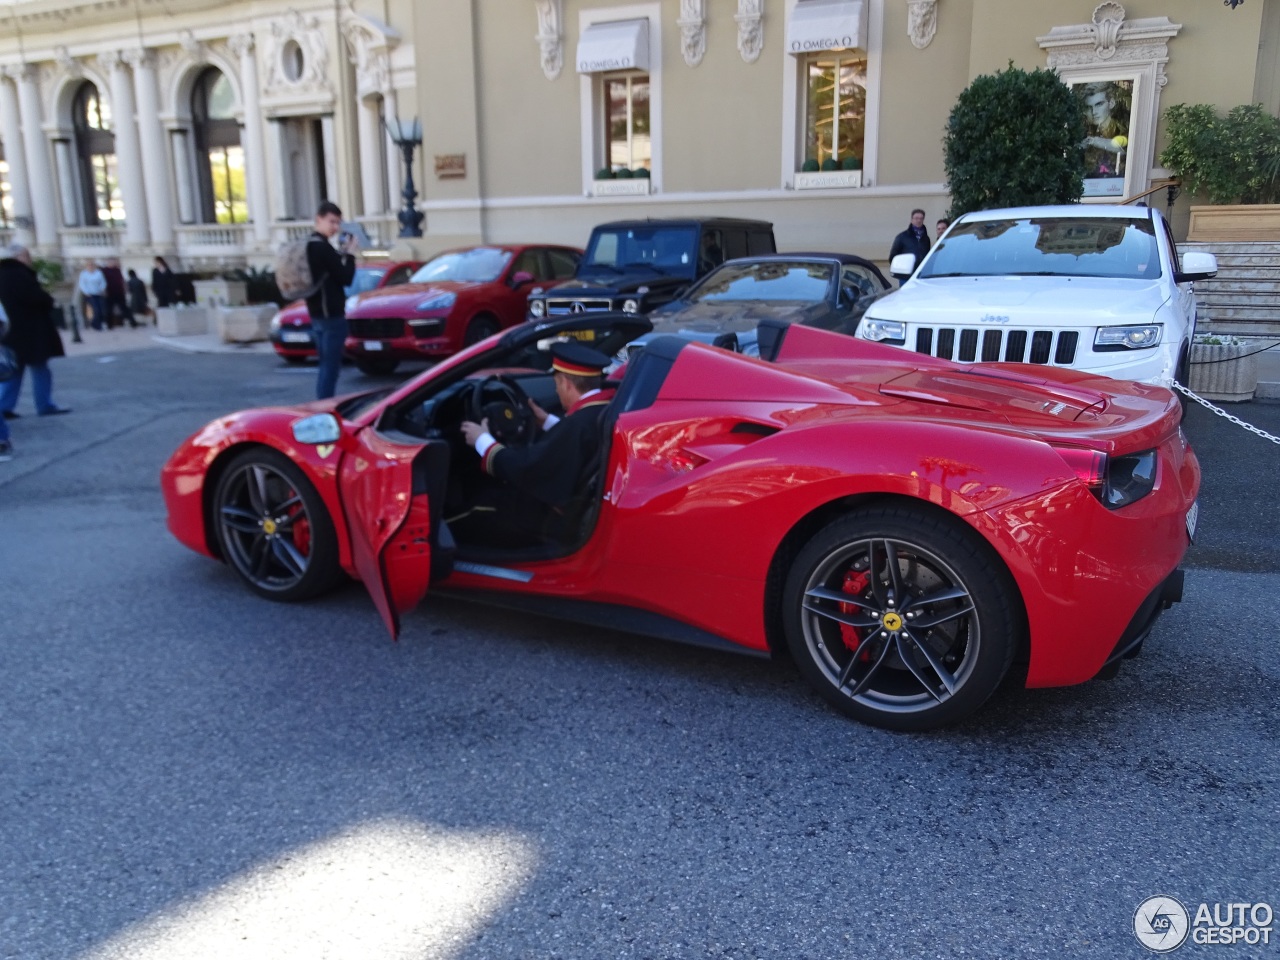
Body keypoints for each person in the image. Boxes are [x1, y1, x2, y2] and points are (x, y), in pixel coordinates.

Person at [457, 341, 614, 546]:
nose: (557, 391)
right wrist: (547, 421)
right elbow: (574, 440)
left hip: (551, 518)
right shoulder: (603, 410)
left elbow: (527, 467)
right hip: (581, 502)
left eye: (557, 384)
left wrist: (482, 441)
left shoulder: (577, 424)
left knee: (477, 507)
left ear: (566, 382)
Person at [0, 243, 70, 419]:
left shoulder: (4, 274)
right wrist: (48, 300)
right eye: (27, 256)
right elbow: (35, 298)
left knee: (14, 370)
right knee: (40, 368)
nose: (29, 260)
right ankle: (44, 404)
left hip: (12, 331)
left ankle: (5, 406)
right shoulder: (18, 275)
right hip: (29, 330)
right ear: (19, 257)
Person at [304, 201, 358, 399]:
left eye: (338, 223)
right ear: (319, 220)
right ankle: (324, 406)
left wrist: (341, 254)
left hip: (315, 314)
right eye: (332, 222)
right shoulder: (323, 248)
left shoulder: (309, 245)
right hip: (332, 316)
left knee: (324, 365)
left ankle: (322, 403)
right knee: (330, 368)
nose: (335, 227)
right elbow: (346, 278)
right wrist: (350, 255)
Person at [1082, 81, 1126, 178]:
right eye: (1089, 107)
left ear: (1111, 103)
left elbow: (1124, 149)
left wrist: (1095, 141)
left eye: (1099, 104)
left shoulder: (1122, 130)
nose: (1094, 112)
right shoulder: (1083, 132)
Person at [889, 208, 930, 285]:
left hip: (921, 275)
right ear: (912, 220)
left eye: (921, 218)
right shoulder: (902, 237)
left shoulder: (926, 239)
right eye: (916, 218)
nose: (919, 220)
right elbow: (893, 256)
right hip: (906, 277)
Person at [102, 258, 136, 328]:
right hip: (109, 293)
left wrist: (124, 288)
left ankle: (133, 322)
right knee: (109, 310)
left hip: (119, 292)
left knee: (124, 308)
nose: (112, 263)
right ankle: (109, 325)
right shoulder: (104, 271)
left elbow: (121, 280)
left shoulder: (117, 270)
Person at [77, 260, 108, 331]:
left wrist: (102, 289)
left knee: (100, 310)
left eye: (92, 265)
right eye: (89, 265)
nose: (90, 266)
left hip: (98, 293)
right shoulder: (84, 274)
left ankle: (97, 324)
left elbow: (103, 282)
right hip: (89, 294)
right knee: (96, 309)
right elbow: (82, 284)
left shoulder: (98, 273)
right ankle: (96, 325)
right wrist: (86, 292)